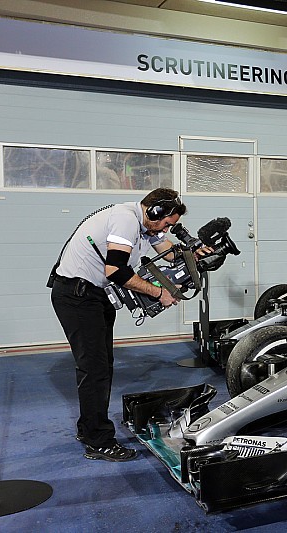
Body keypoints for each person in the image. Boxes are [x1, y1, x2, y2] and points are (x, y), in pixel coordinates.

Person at [50, 188, 186, 461]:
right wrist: (159, 292)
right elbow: (116, 271)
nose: (167, 230)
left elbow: (170, 254)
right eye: (167, 223)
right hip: (78, 296)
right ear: (155, 211)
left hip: (93, 295)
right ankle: (98, 442)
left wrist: (197, 252)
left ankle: (88, 427)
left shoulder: (145, 224)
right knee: (95, 369)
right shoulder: (125, 220)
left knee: (101, 367)